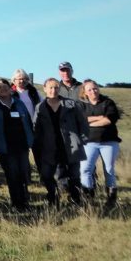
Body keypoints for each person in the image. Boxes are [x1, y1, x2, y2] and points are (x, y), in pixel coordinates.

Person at [33, 78, 89, 207]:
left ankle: (75, 200)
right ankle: (53, 197)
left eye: (56, 87)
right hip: (50, 146)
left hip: (71, 145)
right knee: (47, 174)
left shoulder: (71, 104)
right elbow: (36, 127)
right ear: (45, 89)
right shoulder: (40, 107)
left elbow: (83, 123)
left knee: (74, 175)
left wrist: (82, 139)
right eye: (50, 88)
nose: (53, 90)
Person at [0, 79, 33, 211]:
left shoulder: (19, 103)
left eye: (5, 86)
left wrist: (30, 139)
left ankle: (25, 202)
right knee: (12, 175)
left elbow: (28, 121)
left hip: (22, 145)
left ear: (11, 88)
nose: (2, 89)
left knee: (23, 173)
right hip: (5, 147)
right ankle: (16, 203)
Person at [79, 79, 121, 208]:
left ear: (99, 88)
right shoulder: (82, 105)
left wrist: (90, 123)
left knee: (108, 169)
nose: (93, 91)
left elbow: (109, 120)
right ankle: (88, 197)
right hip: (89, 142)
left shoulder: (108, 102)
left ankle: (111, 199)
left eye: (95, 88)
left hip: (108, 142)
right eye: (90, 90)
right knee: (85, 169)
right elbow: (81, 119)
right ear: (85, 92)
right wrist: (99, 118)